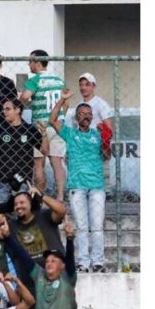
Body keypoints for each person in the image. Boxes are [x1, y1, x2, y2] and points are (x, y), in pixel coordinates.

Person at [50, 90, 111, 273]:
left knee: (97, 226)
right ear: (76, 117)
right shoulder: (69, 133)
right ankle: (83, 263)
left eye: (89, 114)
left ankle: (98, 262)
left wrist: (106, 140)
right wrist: (63, 100)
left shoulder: (98, 134)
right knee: (82, 227)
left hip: (97, 186)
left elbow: (107, 156)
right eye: (82, 113)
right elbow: (52, 120)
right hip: (77, 186)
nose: (86, 116)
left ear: (92, 117)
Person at [20, 50, 66, 200]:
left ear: (38, 63)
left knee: (39, 163)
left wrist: (22, 100)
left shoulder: (35, 80)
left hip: (40, 126)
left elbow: (25, 97)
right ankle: (60, 196)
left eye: (30, 61)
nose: (29, 64)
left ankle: (40, 196)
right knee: (57, 162)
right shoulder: (59, 80)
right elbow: (66, 104)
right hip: (58, 125)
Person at [0, 98, 47, 205]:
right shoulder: (0, 129)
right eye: (3, 109)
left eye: (8, 109)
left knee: (22, 214)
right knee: (0, 214)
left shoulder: (29, 129)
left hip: (23, 181)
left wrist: (44, 134)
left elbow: (44, 151)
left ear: (18, 110)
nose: (4, 112)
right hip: (2, 180)